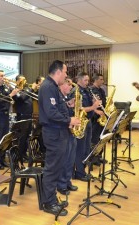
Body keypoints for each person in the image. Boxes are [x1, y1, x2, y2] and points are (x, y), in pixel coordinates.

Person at [38, 60, 80, 216]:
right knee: (52, 169)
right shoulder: (48, 87)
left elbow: (57, 109)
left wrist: (67, 120)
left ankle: (52, 198)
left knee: (57, 168)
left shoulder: (53, 87)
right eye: (65, 72)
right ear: (58, 72)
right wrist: (70, 120)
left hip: (59, 132)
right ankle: (48, 203)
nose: (66, 75)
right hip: (53, 133)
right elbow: (51, 113)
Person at [73, 71, 98, 182]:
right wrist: (93, 107)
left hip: (88, 121)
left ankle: (82, 170)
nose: (88, 82)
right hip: (81, 122)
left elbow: (89, 105)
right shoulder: (76, 91)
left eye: (88, 80)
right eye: (85, 80)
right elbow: (80, 108)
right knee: (80, 149)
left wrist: (94, 102)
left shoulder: (87, 90)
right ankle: (79, 172)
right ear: (79, 80)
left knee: (87, 148)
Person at [0, 70, 18, 169]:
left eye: (4, 75)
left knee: (4, 140)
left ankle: (2, 159)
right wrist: (11, 95)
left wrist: (13, 90)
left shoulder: (6, 87)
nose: (4, 77)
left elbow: (14, 97)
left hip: (6, 116)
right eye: (1, 76)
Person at [56, 78, 78, 196]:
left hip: (71, 131)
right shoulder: (58, 96)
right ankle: (61, 184)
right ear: (62, 85)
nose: (70, 88)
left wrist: (70, 105)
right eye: (68, 85)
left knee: (71, 159)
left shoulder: (65, 98)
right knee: (65, 159)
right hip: (63, 131)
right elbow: (57, 114)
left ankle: (67, 181)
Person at [12, 74, 33, 161]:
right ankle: (19, 156)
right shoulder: (16, 91)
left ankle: (24, 153)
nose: (24, 82)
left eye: (24, 80)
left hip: (28, 115)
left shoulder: (25, 89)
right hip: (22, 116)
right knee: (22, 137)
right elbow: (22, 98)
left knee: (27, 136)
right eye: (21, 80)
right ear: (17, 81)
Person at [90, 74, 107, 165]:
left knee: (101, 138)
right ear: (96, 80)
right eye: (101, 79)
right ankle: (93, 158)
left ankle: (99, 156)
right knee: (95, 138)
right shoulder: (92, 90)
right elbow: (92, 104)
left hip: (102, 117)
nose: (102, 81)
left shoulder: (101, 90)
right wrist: (97, 111)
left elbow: (103, 103)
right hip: (95, 118)